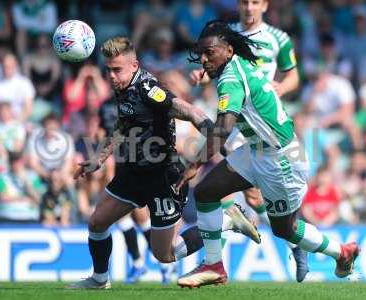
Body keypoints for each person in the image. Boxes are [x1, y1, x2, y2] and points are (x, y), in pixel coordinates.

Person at [175, 20, 360, 288]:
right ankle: (214, 265)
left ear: (228, 50)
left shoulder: (231, 78)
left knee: (285, 230)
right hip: (259, 149)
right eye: (201, 54)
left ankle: (341, 252)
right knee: (205, 192)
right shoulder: (241, 64)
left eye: (210, 53)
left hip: (281, 159)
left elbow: (224, 129)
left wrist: (193, 164)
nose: (203, 59)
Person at [68, 36, 259, 289]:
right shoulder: (123, 89)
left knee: (165, 254)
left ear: (134, 65)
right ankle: (100, 280)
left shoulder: (149, 90)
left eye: (117, 70)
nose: (112, 76)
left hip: (163, 177)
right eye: (109, 70)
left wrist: (225, 147)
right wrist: (99, 159)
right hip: (134, 172)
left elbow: (192, 113)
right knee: (97, 222)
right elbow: (123, 124)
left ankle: (227, 220)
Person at [189, 0, 308, 282]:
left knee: (255, 196)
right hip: (236, 117)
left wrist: (279, 86)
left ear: (265, 5)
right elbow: (213, 66)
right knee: (240, 194)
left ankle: (287, 238)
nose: (249, 7)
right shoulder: (223, 35)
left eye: (255, 2)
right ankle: (227, 245)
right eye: (244, 1)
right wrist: (202, 76)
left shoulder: (279, 39)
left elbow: (294, 77)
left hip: (263, 119)